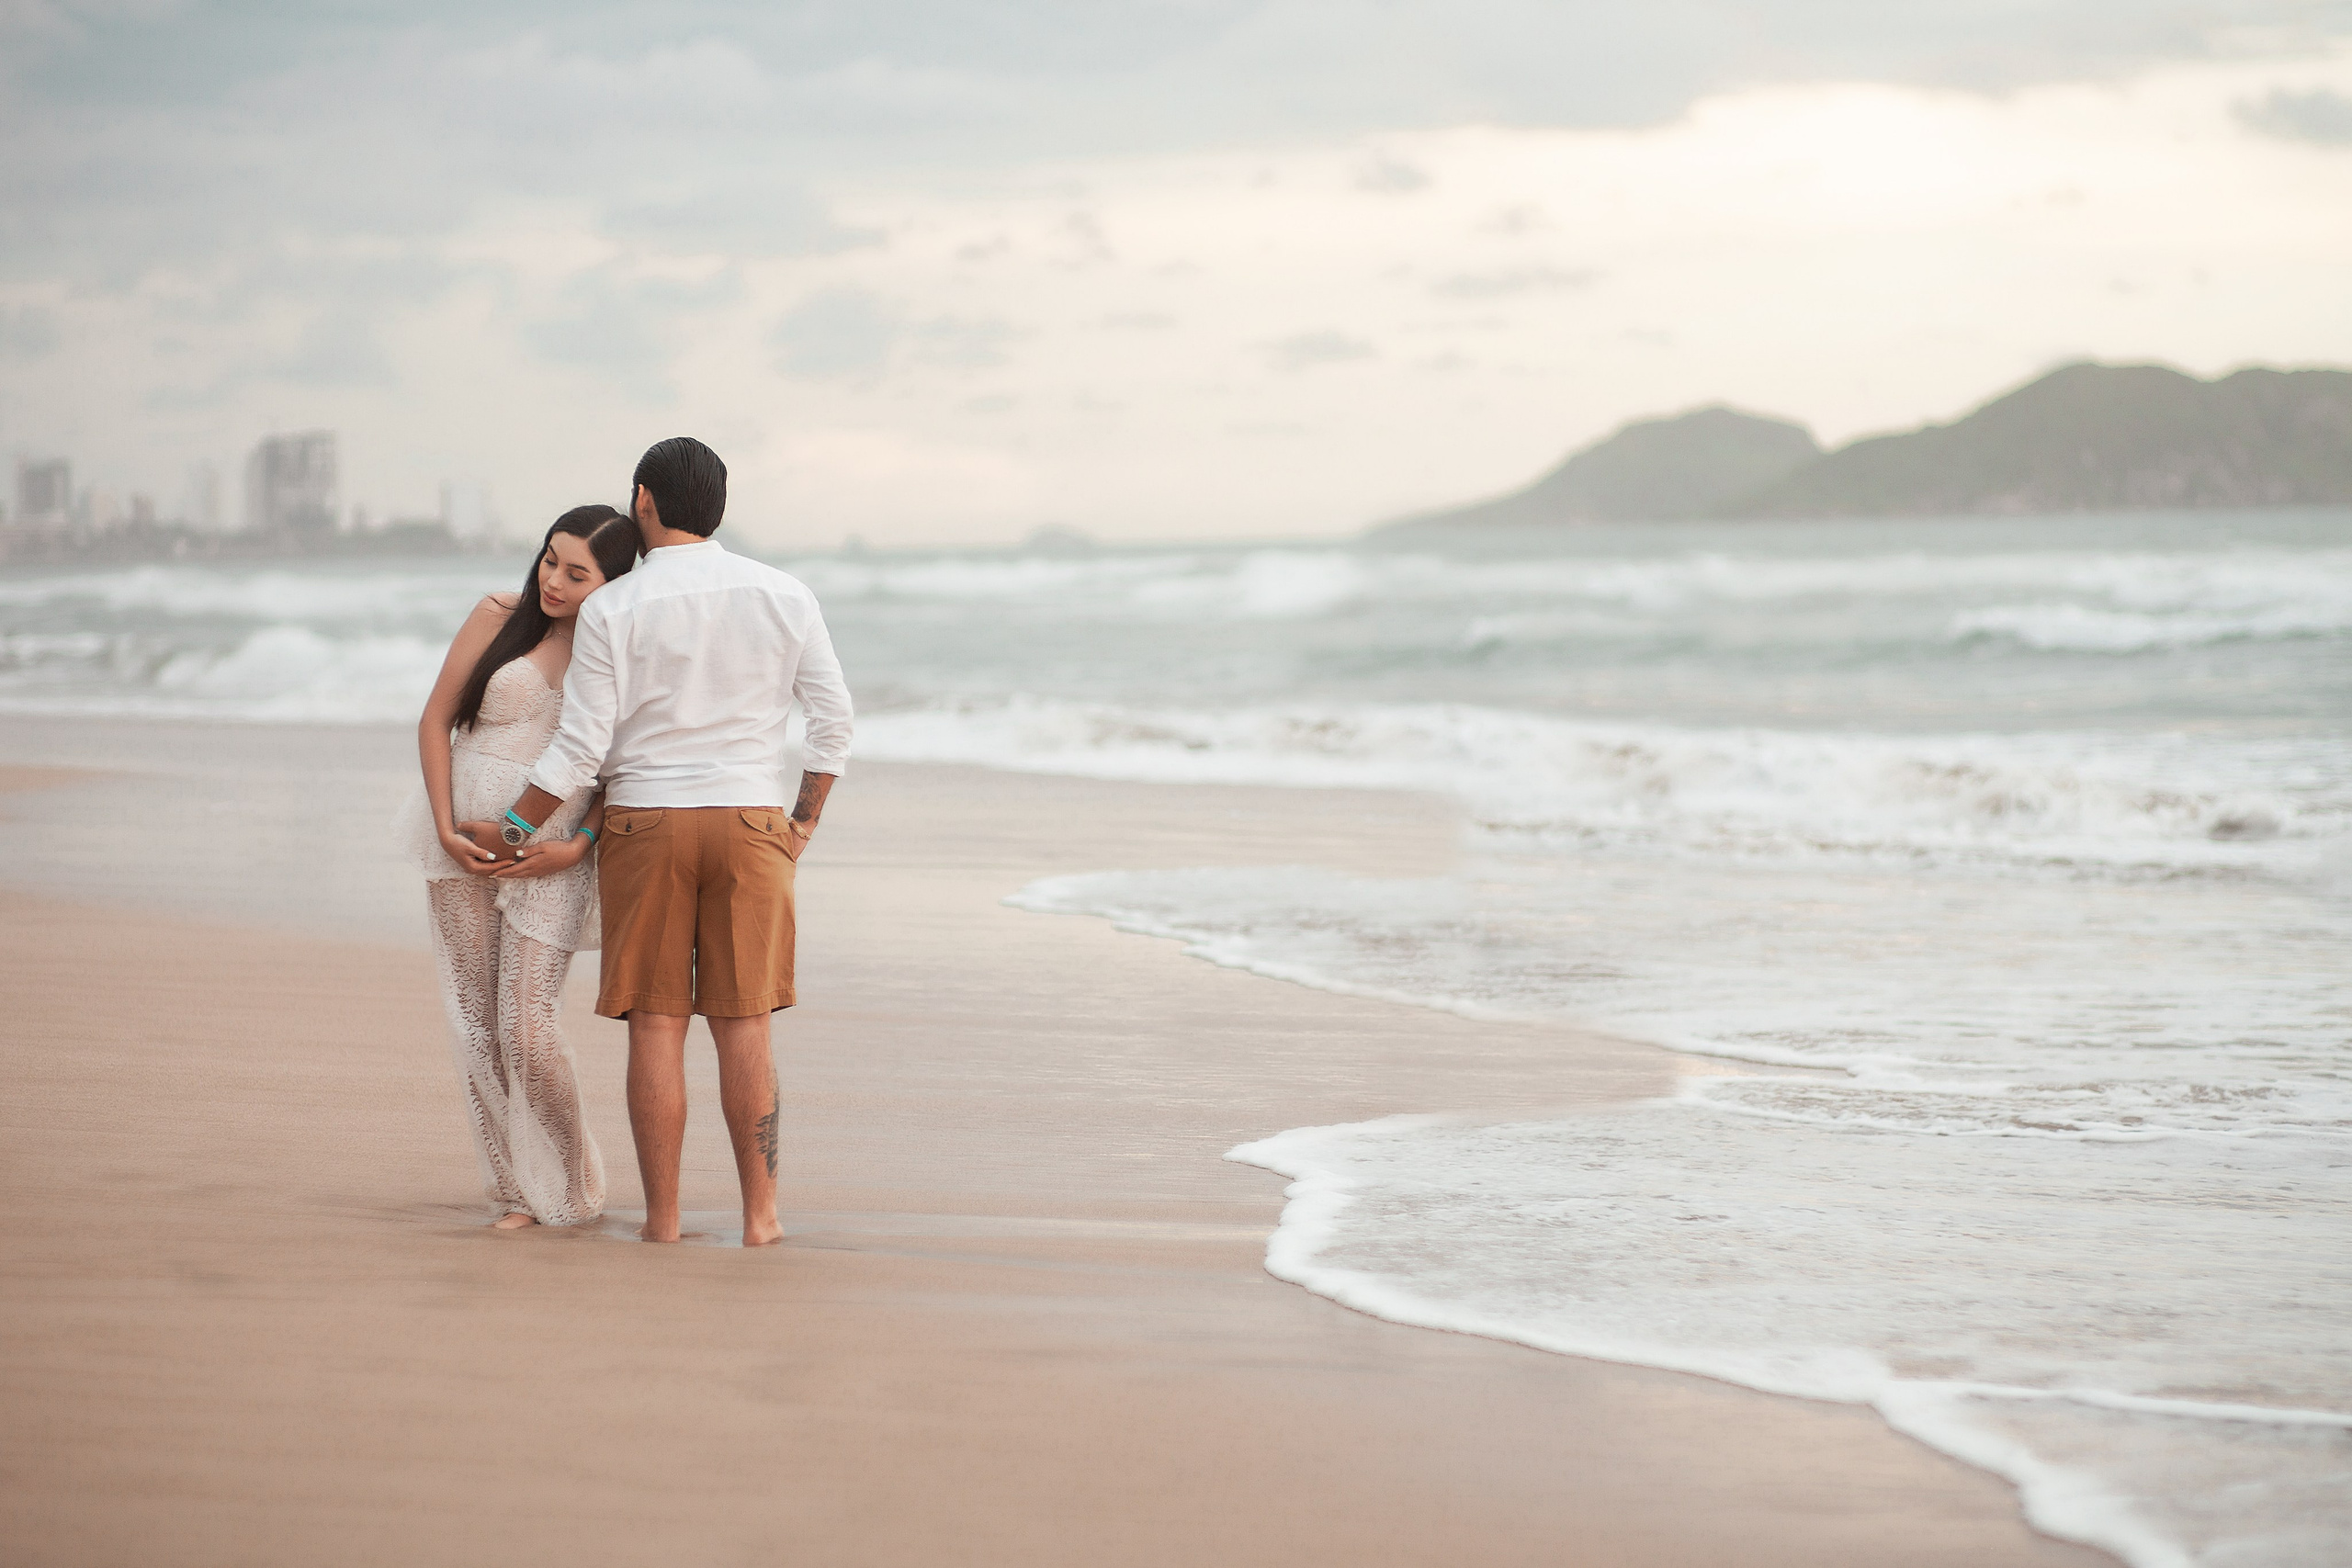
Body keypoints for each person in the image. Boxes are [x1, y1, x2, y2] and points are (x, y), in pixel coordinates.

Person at [463, 437, 853, 1247]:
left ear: (644, 500)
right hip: (752, 825)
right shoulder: (785, 593)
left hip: (645, 826)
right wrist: (801, 825)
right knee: (746, 1026)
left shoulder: (614, 606)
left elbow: (579, 747)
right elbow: (833, 722)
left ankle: (666, 1223)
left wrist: (512, 831)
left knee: (658, 1026)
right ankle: (761, 1217)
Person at [398, 504, 643, 1228]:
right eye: (549, 559)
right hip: (465, 843)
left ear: (615, 584)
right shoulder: (500, 614)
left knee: (527, 1027)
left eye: (578, 572)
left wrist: (580, 845)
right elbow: (436, 718)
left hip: (555, 854)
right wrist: (444, 825)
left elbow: (620, 770)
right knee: (473, 1023)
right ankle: (511, 1190)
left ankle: (570, 1189)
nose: (554, 581)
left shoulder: (624, 653)